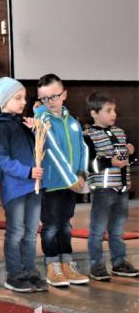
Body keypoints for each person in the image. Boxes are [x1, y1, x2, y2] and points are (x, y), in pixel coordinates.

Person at [0, 76, 47, 293]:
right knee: (16, 231)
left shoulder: (24, 124)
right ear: (4, 101)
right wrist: (27, 172)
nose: (24, 102)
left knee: (32, 232)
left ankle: (30, 270)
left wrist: (36, 132)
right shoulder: (0, 125)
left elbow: (39, 150)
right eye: (18, 98)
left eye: (24, 97)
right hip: (16, 188)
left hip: (33, 187)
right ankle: (14, 274)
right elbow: (0, 157)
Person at [34, 74, 89, 287]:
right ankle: (52, 265)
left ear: (64, 95)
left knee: (65, 224)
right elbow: (52, 150)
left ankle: (67, 263)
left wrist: (82, 173)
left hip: (70, 182)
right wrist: (70, 177)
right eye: (44, 98)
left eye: (54, 96)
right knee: (50, 226)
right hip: (51, 183)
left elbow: (83, 148)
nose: (50, 102)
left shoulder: (73, 121)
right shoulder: (42, 119)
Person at [83, 92, 138, 280]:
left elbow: (127, 161)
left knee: (117, 231)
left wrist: (131, 153)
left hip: (121, 190)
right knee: (97, 230)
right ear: (94, 113)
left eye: (114, 110)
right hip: (103, 190)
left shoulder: (120, 132)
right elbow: (89, 165)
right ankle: (96, 265)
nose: (113, 114)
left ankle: (119, 262)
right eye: (108, 110)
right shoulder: (89, 136)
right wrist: (110, 163)